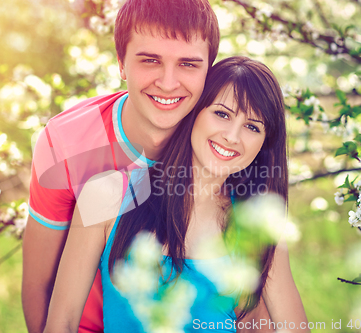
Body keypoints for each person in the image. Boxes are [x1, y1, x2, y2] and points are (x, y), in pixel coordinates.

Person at [44, 56, 309, 333]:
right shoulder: (105, 195)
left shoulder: (257, 227)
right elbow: (62, 323)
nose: (232, 136)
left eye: (252, 127)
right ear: (194, 112)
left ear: (264, 145)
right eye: (222, 114)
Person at [22, 0, 220, 332]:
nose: (168, 82)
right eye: (150, 60)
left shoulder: (224, 144)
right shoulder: (66, 143)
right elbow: (39, 285)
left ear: (208, 72)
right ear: (121, 65)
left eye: (188, 64)